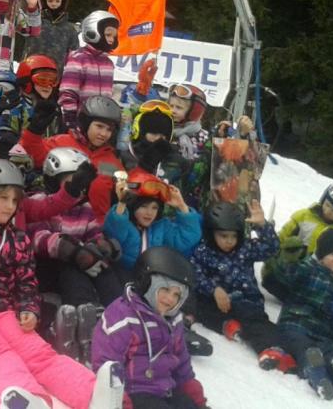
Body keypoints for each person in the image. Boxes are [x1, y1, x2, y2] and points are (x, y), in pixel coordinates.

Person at [0, 124, 116, 409]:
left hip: (3, 309)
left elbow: (26, 281)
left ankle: (93, 394)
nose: (10, 206)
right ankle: (24, 397)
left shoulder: (18, 238)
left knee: (38, 352)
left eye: (15, 200)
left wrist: (28, 308)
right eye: (3, 198)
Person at [29, 147, 125, 362]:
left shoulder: (85, 208)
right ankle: (84, 318)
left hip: (80, 261)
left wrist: (101, 247)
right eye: (72, 181)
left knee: (104, 268)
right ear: (54, 180)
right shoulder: (41, 201)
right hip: (48, 267)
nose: (78, 188)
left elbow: (94, 233)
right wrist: (71, 250)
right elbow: (38, 237)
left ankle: (121, 314)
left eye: (82, 183)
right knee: (72, 270)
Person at [92, 247, 209, 409]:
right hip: (134, 392)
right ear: (146, 283)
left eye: (177, 295)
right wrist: (118, 397)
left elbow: (181, 358)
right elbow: (106, 362)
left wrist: (189, 384)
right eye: (165, 289)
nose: (170, 299)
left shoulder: (174, 320)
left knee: (189, 405)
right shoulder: (123, 317)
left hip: (165, 388)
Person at [266, 228, 333, 400]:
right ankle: (317, 376)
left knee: (332, 356)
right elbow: (286, 273)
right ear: (322, 256)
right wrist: (288, 258)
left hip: (325, 335)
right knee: (307, 351)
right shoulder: (308, 269)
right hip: (296, 325)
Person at [189, 201, 282, 366]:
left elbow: (271, 248)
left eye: (234, 236)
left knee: (256, 323)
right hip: (218, 302)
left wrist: (262, 226)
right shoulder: (204, 251)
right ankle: (227, 325)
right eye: (223, 236)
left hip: (246, 300)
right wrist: (213, 289)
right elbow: (195, 274)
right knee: (200, 307)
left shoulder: (245, 248)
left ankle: (270, 350)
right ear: (211, 233)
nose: (229, 241)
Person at [21, 94, 127, 221]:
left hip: (95, 226)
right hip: (57, 219)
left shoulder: (113, 163)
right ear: (86, 123)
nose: (104, 134)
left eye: (109, 129)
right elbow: (35, 156)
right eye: (99, 126)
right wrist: (34, 132)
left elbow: (125, 194)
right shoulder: (61, 142)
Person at [262, 179, 333, 301]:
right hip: (295, 265)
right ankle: (277, 278)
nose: (328, 211)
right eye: (327, 205)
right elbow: (282, 237)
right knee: (292, 245)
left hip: (321, 272)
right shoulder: (304, 216)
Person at [103, 172, 202, 272]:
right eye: (143, 206)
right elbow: (114, 232)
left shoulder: (162, 228)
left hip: (153, 278)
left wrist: (181, 205)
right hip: (123, 277)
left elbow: (189, 236)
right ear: (132, 206)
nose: (149, 213)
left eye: (155, 208)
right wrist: (122, 203)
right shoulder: (125, 225)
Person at [59, 10, 119, 128]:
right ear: (92, 32)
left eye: (114, 36)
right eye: (108, 35)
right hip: (80, 122)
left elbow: (107, 96)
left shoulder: (108, 64)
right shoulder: (78, 59)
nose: (112, 39)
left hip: (100, 124)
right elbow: (68, 92)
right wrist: (70, 120)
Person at [24, 0, 79, 67]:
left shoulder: (69, 29)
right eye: (50, 0)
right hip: (32, 68)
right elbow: (25, 24)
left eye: (57, 1)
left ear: (63, 2)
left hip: (57, 71)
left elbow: (74, 54)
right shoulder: (35, 22)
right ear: (44, 1)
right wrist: (31, 5)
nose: (54, 4)